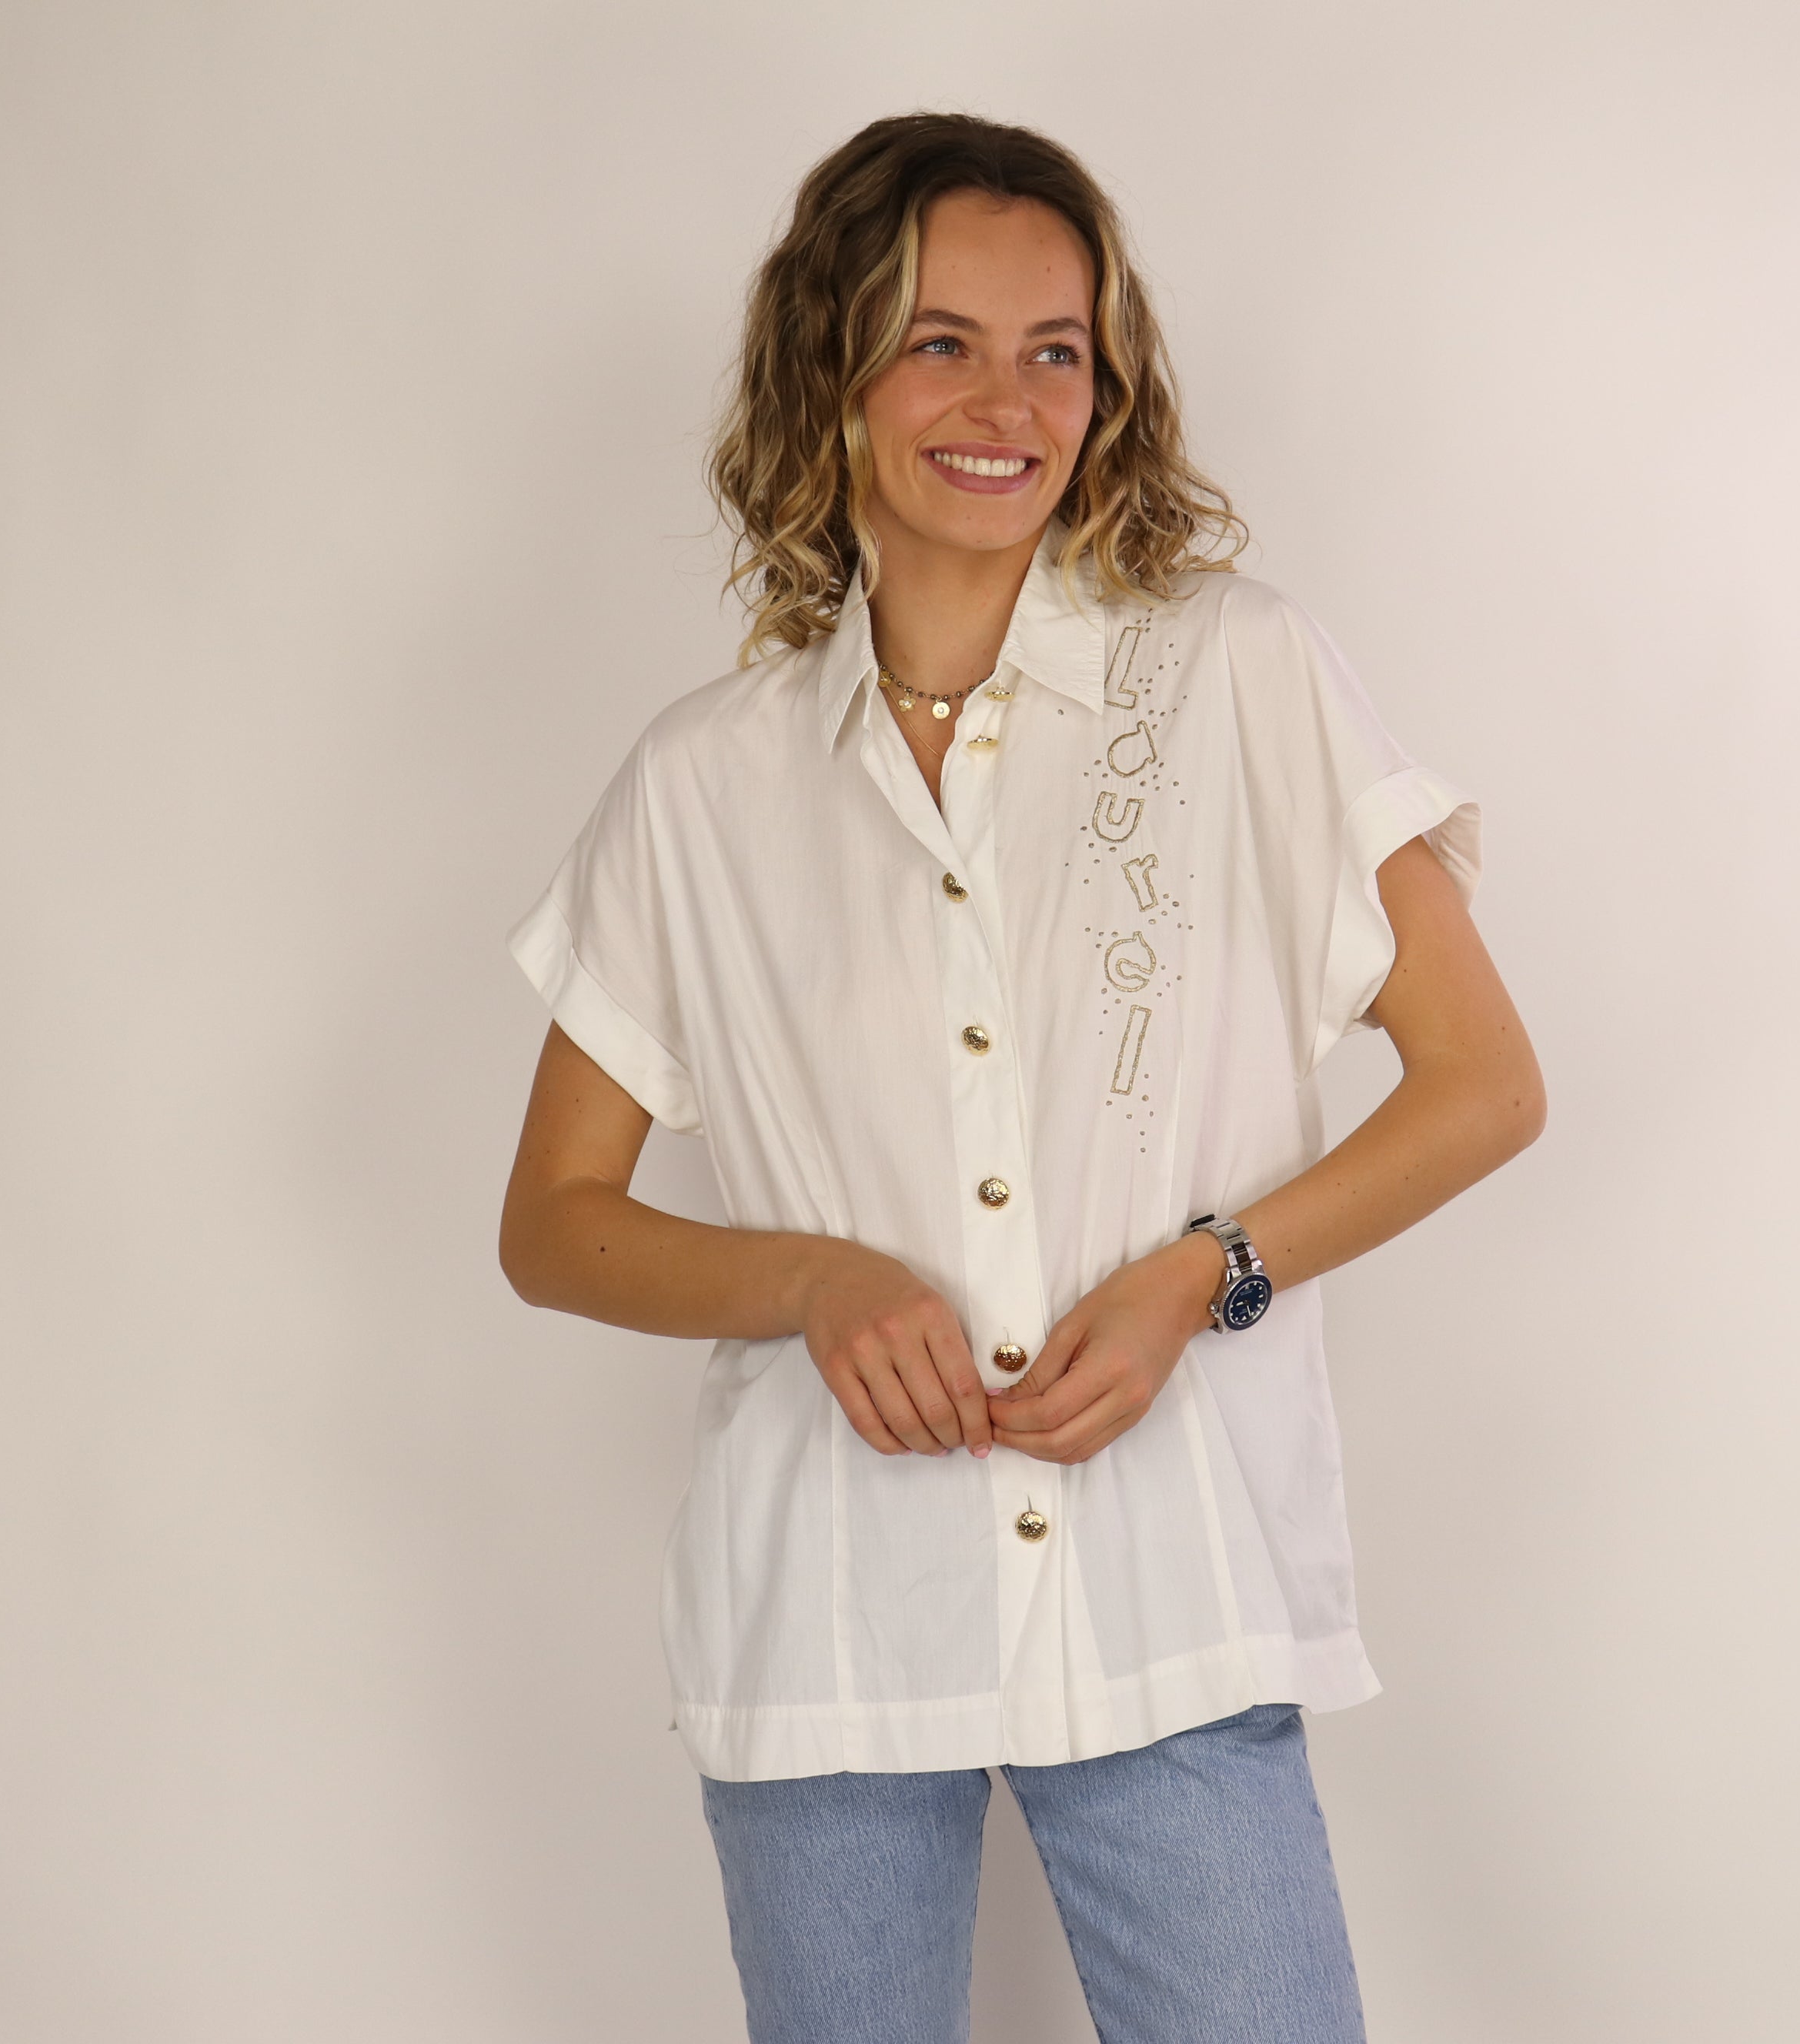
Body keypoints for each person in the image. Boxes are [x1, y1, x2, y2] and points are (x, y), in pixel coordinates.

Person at [498, 110, 1544, 2044]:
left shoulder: (1240, 673)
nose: (1006, 403)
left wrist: (1200, 1274)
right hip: (827, 1617)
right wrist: (811, 1279)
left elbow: (1480, 1081)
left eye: (1053, 348)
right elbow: (552, 1220)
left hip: (1169, 1581)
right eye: (939, 342)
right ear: (832, 375)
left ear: (1105, 382)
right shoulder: (702, 781)